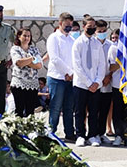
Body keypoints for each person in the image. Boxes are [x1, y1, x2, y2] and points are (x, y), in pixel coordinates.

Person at [71, 18, 108, 146]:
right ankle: (80, 135)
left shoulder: (97, 44)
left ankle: (92, 135)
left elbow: (102, 64)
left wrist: (97, 82)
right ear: (84, 26)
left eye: (93, 26)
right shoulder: (78, 43)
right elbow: (77, 66)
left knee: (94, 111)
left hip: (95, 85)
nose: (92, 28)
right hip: (81, 84)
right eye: (89, 26)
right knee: (80, 111)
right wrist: (88, 83)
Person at [46, 12, 77, 140]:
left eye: (71, 24)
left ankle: (69, 133)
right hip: (56, 78)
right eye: (66, 24)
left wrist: (72, 74)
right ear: (60, 23)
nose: (69, 27)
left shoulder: (72, 39)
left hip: (70, 79)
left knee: (69, 108)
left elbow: (75, 59)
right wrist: (68, 72)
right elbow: (54, 58)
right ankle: (51, 132)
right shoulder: (53, 38)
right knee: (55, 107)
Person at [10, 28, 43, 117]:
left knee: (30, 111)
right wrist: (32, 59)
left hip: (32, 84)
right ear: (19, 36)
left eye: (28, 36)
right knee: (19, 110)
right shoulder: (15, 49)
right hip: (19, 83)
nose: (27, 38)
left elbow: (39, 65)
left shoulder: (34, 49)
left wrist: (26, 62)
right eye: (24, 35)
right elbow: (19, 63)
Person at [94, 20, 115, 143]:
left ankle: (102, 133)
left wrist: (109, 76)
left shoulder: (110, 45)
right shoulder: (92, 44)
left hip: (107, 83)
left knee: (104, 109)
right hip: (95, 82)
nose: (102, 33)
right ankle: (93, 133)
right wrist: (99, 79)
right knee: (94, 110)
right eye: (99, 31)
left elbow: (112, 63)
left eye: (104, 31)